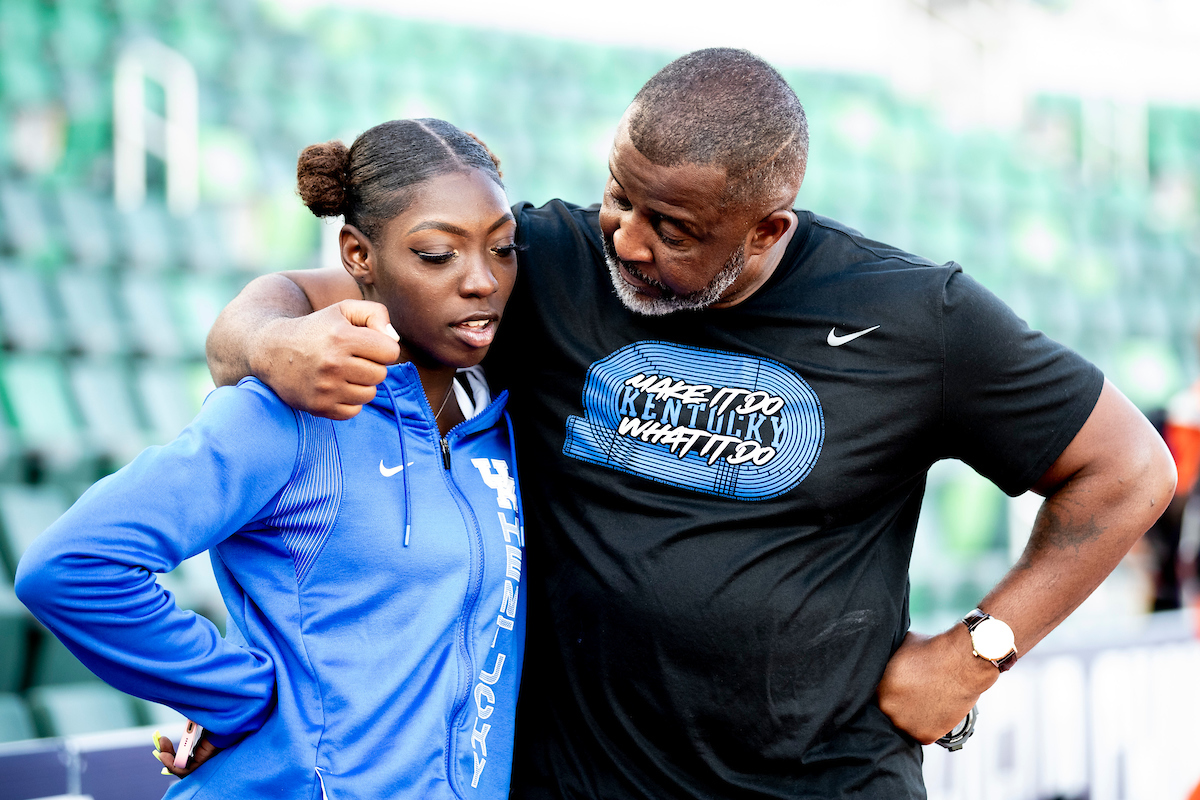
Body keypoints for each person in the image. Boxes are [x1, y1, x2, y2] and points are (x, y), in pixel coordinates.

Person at [205, 50, 1176, 799]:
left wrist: (975, 655)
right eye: (618, 194)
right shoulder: (553, 260)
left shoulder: (916, 316)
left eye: (670, 227)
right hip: (575, 778)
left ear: (767, 229)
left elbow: (1129, 467)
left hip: (819, 780)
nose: (625, 237)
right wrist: (267, 341)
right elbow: (301, 292)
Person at [15, 118, 527, 799]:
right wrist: (242, 698)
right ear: (358, 255)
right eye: (438, 254)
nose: (481, 281)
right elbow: (71, 567)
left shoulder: (502, 423)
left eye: (502, 250)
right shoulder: (284, 414)